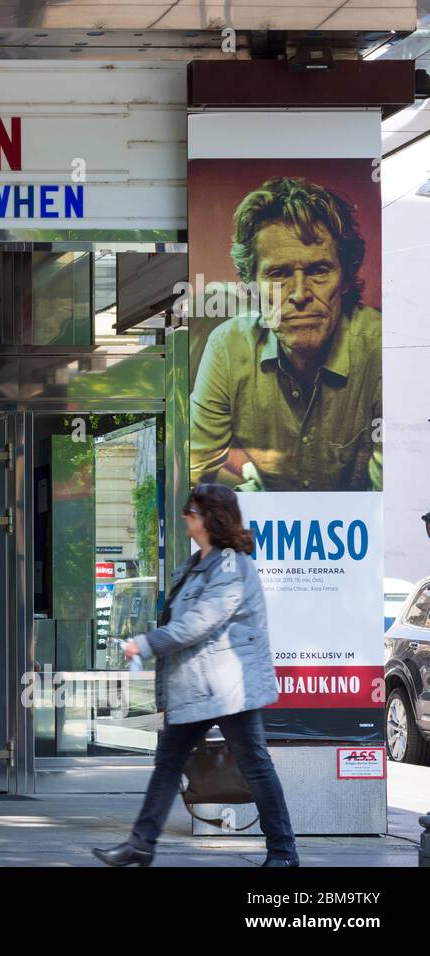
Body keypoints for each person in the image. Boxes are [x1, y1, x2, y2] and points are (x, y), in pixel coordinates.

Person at [92, 483, 299, 867]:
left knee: (254, 764)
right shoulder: (192, 567)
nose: (185, 515)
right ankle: (141, 844)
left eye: (191, 509)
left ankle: (283, 852)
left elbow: (198, 624)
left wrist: (146, 643)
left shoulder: (232, 567)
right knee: (168, 763)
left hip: (228, 686)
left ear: (209, 517)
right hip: (197, 686)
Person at [190, 176, 381, 492]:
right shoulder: (228, 347)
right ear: (252, 286)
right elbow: (190, 475)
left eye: (319, 271)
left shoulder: (380, 347)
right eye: (278, 275)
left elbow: (390, 502)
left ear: (345, 279)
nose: (300, 294)